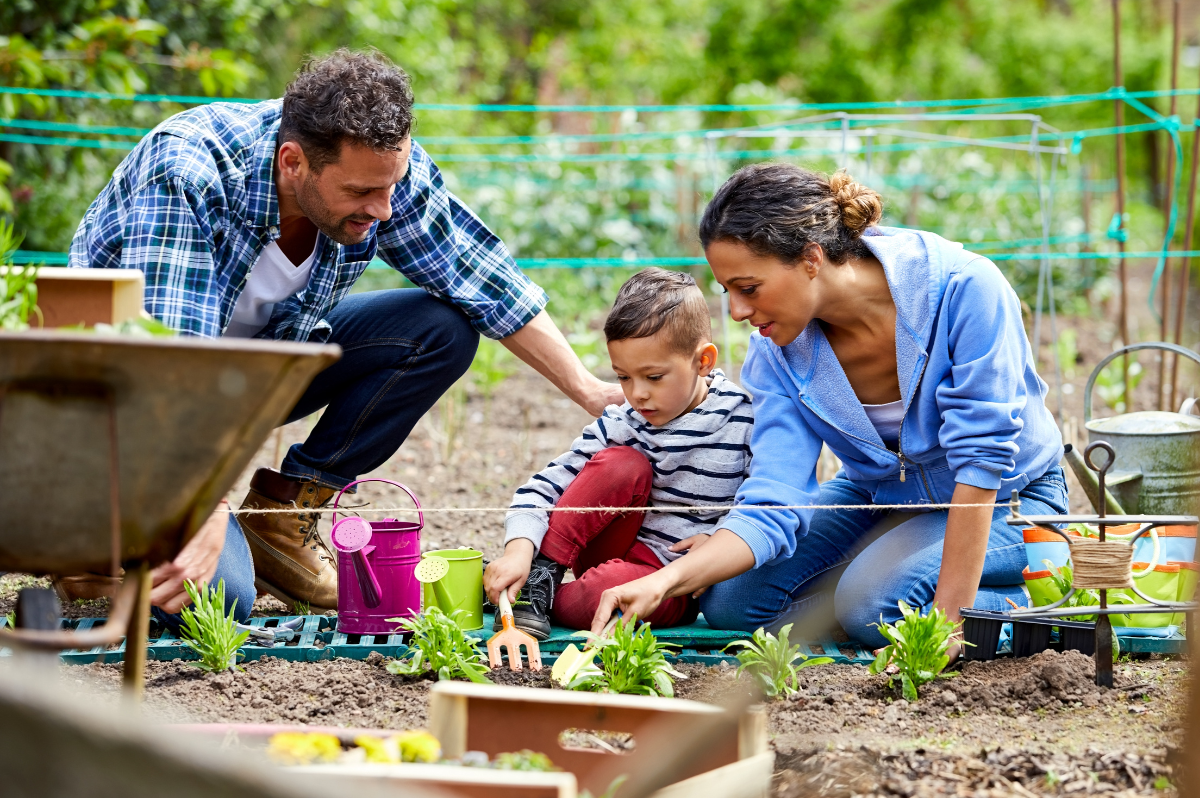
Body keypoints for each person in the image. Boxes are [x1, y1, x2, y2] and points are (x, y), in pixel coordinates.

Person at [64, 49, 623, 624]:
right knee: (218, 597)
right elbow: (165, 365)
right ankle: (88, 537)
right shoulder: (188, 171)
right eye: (361, 193)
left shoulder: (379, 172)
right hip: (117, 410)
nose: (382, 209)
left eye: (390, 187)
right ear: (293, 163)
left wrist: (588, 389)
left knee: (439, 330)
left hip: (248, 375)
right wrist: (203, 512)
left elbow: (481, 278)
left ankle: (280, 520)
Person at [587, 164, 1067, 655]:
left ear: (811, 258)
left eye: (748, 288)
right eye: (727, 290)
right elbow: (776, 492)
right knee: (732, 603)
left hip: (1013, 500)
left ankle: (1037, 599)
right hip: (880, 497)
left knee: (874, 608)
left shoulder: (963, 289)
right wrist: (667, 581)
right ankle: (878, 581)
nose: (735, 311)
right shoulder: (776, 351)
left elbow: (982, 461)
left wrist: (948, 626)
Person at [483, 268, 754, 637]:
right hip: (606, 545)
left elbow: (762, 503)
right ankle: (536, 578)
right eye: (623, 377)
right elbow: (543, 488)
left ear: (702, 361)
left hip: (671, 581)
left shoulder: (743, 419)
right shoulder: (624, 422)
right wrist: (519, 549)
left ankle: (522, 597)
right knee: (621, 463)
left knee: (604, 592)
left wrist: (720, 540)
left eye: (653, 377)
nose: (637, 393)